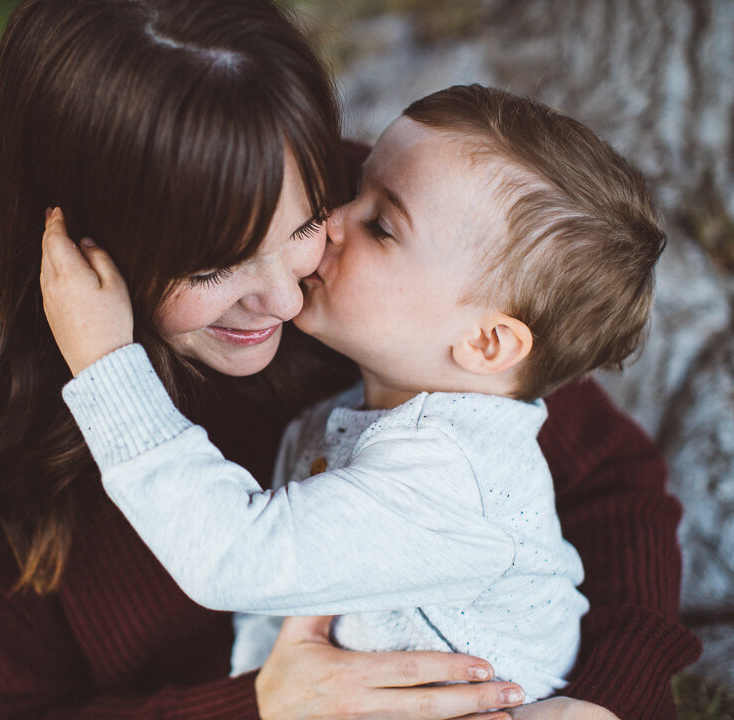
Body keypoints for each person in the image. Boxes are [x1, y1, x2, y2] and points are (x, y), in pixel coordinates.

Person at [0, 1, 700, 719]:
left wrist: (605, 700)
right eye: (211, 268)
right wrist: (261, 709)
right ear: (87, 243)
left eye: (304, 223)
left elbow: (609, 483)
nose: (284, 297)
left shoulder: (378, 245)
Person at [40, 84, 668, 703]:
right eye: (354, 187)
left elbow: (232, 556)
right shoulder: (358, 423)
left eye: (382, 227)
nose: (330, 221)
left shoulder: (446, 480)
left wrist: (105, 364)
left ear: (485, 345)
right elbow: (276, 621)